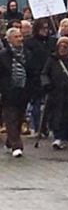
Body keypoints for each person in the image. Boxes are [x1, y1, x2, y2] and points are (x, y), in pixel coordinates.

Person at [0, 28, 31, 157]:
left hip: (23, 91)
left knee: (19, 118)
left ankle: (10, 141)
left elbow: (32, 71)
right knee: (11, 117)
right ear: (9, 39)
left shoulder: (27, 54)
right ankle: (16, 146)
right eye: (16, 37)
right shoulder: (3, 55)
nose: (20, 39)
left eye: (20, 36)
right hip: (8, 92)